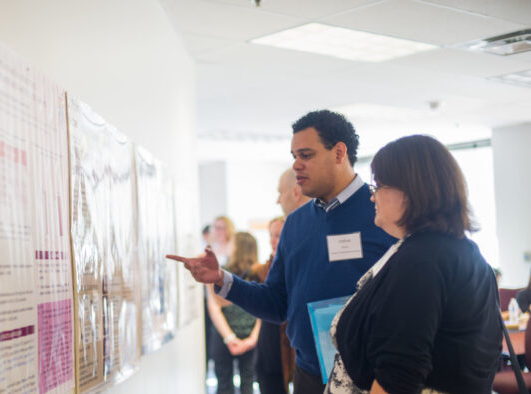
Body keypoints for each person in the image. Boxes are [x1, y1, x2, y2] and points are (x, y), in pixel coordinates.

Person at [168, 110, 396, 394]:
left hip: (369, 377)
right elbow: (277, 303)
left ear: (339, 153)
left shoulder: (383, 211)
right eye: (294, 156)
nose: (297, 165)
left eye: (306, 155)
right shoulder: (296, 224)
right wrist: (223, 279)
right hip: (309, 375)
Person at [325, 135, 502, 394]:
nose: (372, 198)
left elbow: (398, 374)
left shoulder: (422, 260)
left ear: (411, 191)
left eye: (378, 186)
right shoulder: (459, 250)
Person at [207, 232, 261, 394]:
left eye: (231, 243)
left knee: (230, 383)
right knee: (246, 382)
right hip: (243, 336)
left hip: (229, 336)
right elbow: (264, 310)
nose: (228, 246)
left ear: (238, 248)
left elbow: (214, 306)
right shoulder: (258, 274)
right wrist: (251, 339)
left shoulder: (258, 273)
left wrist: (232, 338)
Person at [250, 216, 294, 394]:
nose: (273, 241)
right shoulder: (259, 271)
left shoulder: (298, 268)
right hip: (269, 344)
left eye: (278, 235)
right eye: (271, 235)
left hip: (294, 344)